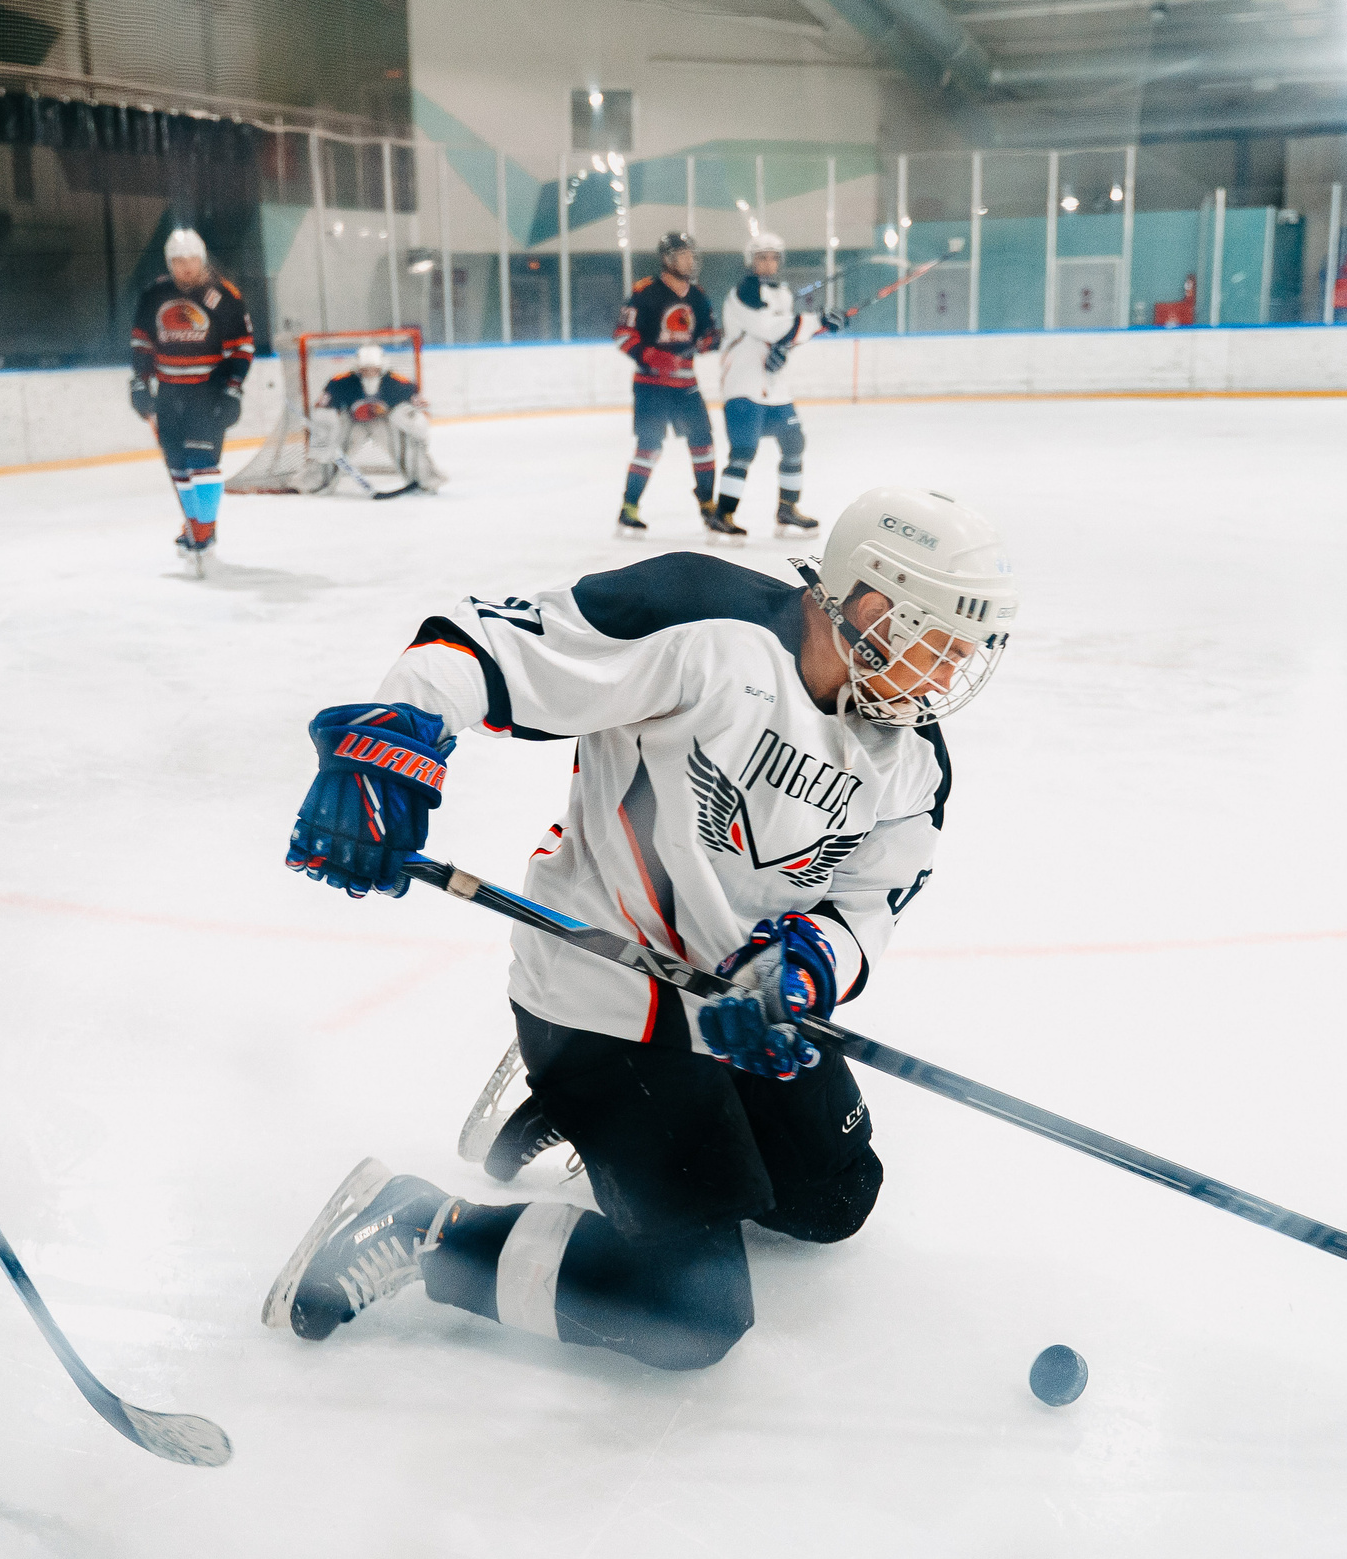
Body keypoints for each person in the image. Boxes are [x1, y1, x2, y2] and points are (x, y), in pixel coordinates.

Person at [263, 487, 1015, 1372]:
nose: (944, 679)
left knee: (835, 1200)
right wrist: (387, 748)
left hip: (736, 1013)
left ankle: (570, 1120)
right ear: (872, 607)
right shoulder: (704, 621)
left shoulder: (913, 759)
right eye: (940, 646)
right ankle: (424, 1226)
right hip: (605, 1001)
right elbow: (481, 643)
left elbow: (866, 908)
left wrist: (801, 970)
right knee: (692, 1312)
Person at [129, 228, 255, 573]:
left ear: (202, 260)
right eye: (178, 262)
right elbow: (142, 343)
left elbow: (241, 347)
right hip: (169, 393)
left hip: (208, 391)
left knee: (202, 462)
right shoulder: (155, 294)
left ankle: (202, 530)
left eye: (191, 261)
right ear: (170, 263)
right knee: (179, 466)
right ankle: (196, 525)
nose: (185, 268)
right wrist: (140, 384)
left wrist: (232, 388)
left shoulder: (223, 295)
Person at [715, 231, 844, 538]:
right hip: (744, 385)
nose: (768, 263)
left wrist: (783, 351)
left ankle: (787, 510)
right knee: (744, 450)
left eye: (773, 257)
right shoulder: (744, 291)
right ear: (750, 261)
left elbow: (782, 337)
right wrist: (818, 321)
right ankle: (724, 514)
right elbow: (768, 328)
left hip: (774, 388)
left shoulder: (782, 293)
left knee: (794, 443)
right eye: (762, 257)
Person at [614, 232, 737, 540]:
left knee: (704, 445)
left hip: (685, 387)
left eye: (691, 254)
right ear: (668, 259)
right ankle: (629, 507)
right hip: (651, 386)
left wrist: (709, 340)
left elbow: (707, 336)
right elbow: (622, 335)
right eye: (683, 254)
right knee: (649, 447)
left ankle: (708, 505)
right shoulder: (645, 293)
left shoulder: (698, 295)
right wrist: (650, 355)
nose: (690, 260)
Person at [305, 341, 443, 494]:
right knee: (333, 449)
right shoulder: (340, 382)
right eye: (365, 369)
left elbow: (417, 415)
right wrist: (326, 432)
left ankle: (425, 481)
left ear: (382, 366)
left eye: (374, 369)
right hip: (352, 423)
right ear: (357, 367)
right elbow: (323, 410)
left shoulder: (399, 383)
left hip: (384, 423)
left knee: (406, 446)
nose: (370, 373)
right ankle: (315, 482)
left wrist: (419, 434)